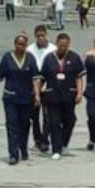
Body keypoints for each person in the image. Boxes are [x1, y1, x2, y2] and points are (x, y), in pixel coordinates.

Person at [0, 31, 41, 165]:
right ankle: (13, 154)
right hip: (10, 97)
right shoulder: (7, 58)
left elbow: (35, 79)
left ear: (26, 45)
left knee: (25, 124)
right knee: (12, 125)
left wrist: (37, 95)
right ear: (15, 44)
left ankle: (23, 147)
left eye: (23, 44)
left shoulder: (30, 58)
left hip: (26, 98)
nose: (20, 46)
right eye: (18, 44)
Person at [40, 31, 83, 159]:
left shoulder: (74, 57)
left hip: (69, 94)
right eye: (61, 44)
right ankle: (56, 149)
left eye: (65, 45)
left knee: (70, 120)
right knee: (54, 122)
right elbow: (42, 77)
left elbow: (79, 76)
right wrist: (37, 92)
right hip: (52, 95)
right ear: (57, 44)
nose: (63, 47)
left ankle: (64, 144)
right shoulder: (49, 58)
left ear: (69, 44)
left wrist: (80, 92)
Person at [25, 25, 57, 154]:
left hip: (48, 85)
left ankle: (45, 140)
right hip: (33, 85)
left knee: (47, 115)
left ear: (46, 35)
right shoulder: (30, 49)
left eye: (43, 35)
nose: (41, 38)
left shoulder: (53, 49)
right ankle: (37, 139)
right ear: (35, 36)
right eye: (38, 36)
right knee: (34, 116)